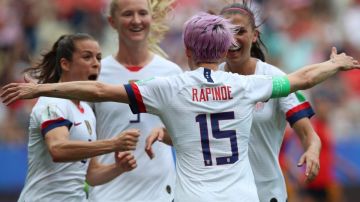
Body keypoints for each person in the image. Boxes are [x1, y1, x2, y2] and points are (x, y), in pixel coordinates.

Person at [1, 13, 359, 201]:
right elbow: (303, 78)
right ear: (222, 52)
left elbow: (99, 90)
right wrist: (335, 64)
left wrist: (43, 88)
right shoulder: (246, 86)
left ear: (187, 51)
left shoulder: (168, 88)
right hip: (242, 196)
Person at [146, 3, 321, 202]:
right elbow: (196, 134)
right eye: (228, 32)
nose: (233, 39)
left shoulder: (273, 79)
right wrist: (165, 133)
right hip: (221, 196)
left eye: (240, 31)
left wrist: (312, 150)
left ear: (254, 35)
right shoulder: (206, 79)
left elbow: (308, 133)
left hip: (266, 193)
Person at [14, 33, 140, 202]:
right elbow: (58, 149)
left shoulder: (87, 110)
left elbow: (91, 175)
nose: (96, 63)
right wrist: (113, 144)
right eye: (87, 57)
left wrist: (118, 168)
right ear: (65, 64)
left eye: (99, 57)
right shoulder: (52, 102)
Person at [87, 0, 182, 201]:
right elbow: (86, 143)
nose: (136, 20)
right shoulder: (96, 73)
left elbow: (187, 137)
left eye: (142, 13)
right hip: (108, 195)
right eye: (128, 14)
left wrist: (165, 134)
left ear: (151, 18)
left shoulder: (171, 73)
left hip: (160, 195)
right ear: (112, 22)